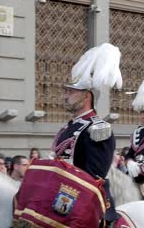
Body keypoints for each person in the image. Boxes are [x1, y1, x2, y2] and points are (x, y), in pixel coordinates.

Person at [50, 43, 122, 226]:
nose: (65, 96)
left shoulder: (98, 129)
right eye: (66, 91)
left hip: (86, 200)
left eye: (71, 92)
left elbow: (94, 176)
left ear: (86, 96)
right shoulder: (67, 128)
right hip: (60, 193)